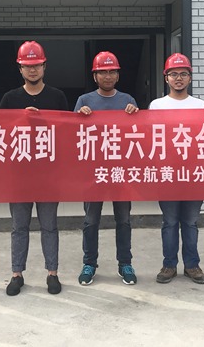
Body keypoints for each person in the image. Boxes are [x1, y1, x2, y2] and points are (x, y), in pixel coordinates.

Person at [0, 41, 69, 296]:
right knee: (19, 227)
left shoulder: (57, 97)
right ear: (20, 68)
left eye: (37, 65)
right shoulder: (10, 98)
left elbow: (67, 132)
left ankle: (52, 273)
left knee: (49, 226)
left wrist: (42, 120)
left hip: (49, 174)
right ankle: (17, 274)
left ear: (44, 66)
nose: (32, 70)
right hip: (19, 175)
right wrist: (21, 120)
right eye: (27, 66)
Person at [75, 51, 139, 286]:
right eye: (103, 72)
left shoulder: (127, 100)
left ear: (118, 75)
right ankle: (89, 264)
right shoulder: (84, 101)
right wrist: (79, 118)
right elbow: (72, 135)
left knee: (124, 220)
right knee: (91, 221)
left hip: (121, 171)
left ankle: (125, 263)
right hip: (93, 172)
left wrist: (135, 115)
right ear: (95, 76)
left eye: (112, 71)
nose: (108, 76)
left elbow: (138, 135)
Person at [149, 53, 204, 285]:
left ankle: (192, 265)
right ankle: (169, 265)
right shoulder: (157, 105)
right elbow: (151, 139)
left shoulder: (200, 105)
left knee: (191, 222)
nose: (179, 78)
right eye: (173, 74)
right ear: (166, 78)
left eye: (183, 74)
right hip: (167, 173)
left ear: (190, 78)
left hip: (194, 174)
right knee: (170, 222)